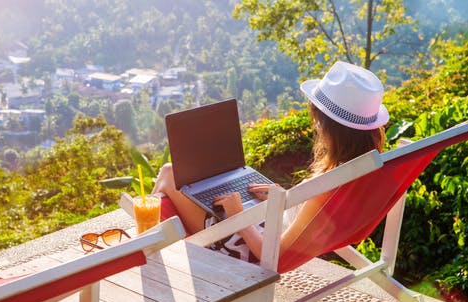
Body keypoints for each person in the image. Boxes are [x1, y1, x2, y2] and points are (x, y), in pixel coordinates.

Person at [152, 61, 389, 262]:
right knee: (187, 181)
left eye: (318, 120)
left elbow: (272, 256)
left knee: (168, 174)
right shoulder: (365, 171)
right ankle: (154, 236)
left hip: (246, 248)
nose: (316, 126)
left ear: (331, 129)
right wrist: (286, 199)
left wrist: (238, 216)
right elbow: (311, 221)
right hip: (266, 225)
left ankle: (147, 245)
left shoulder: (326, 189)